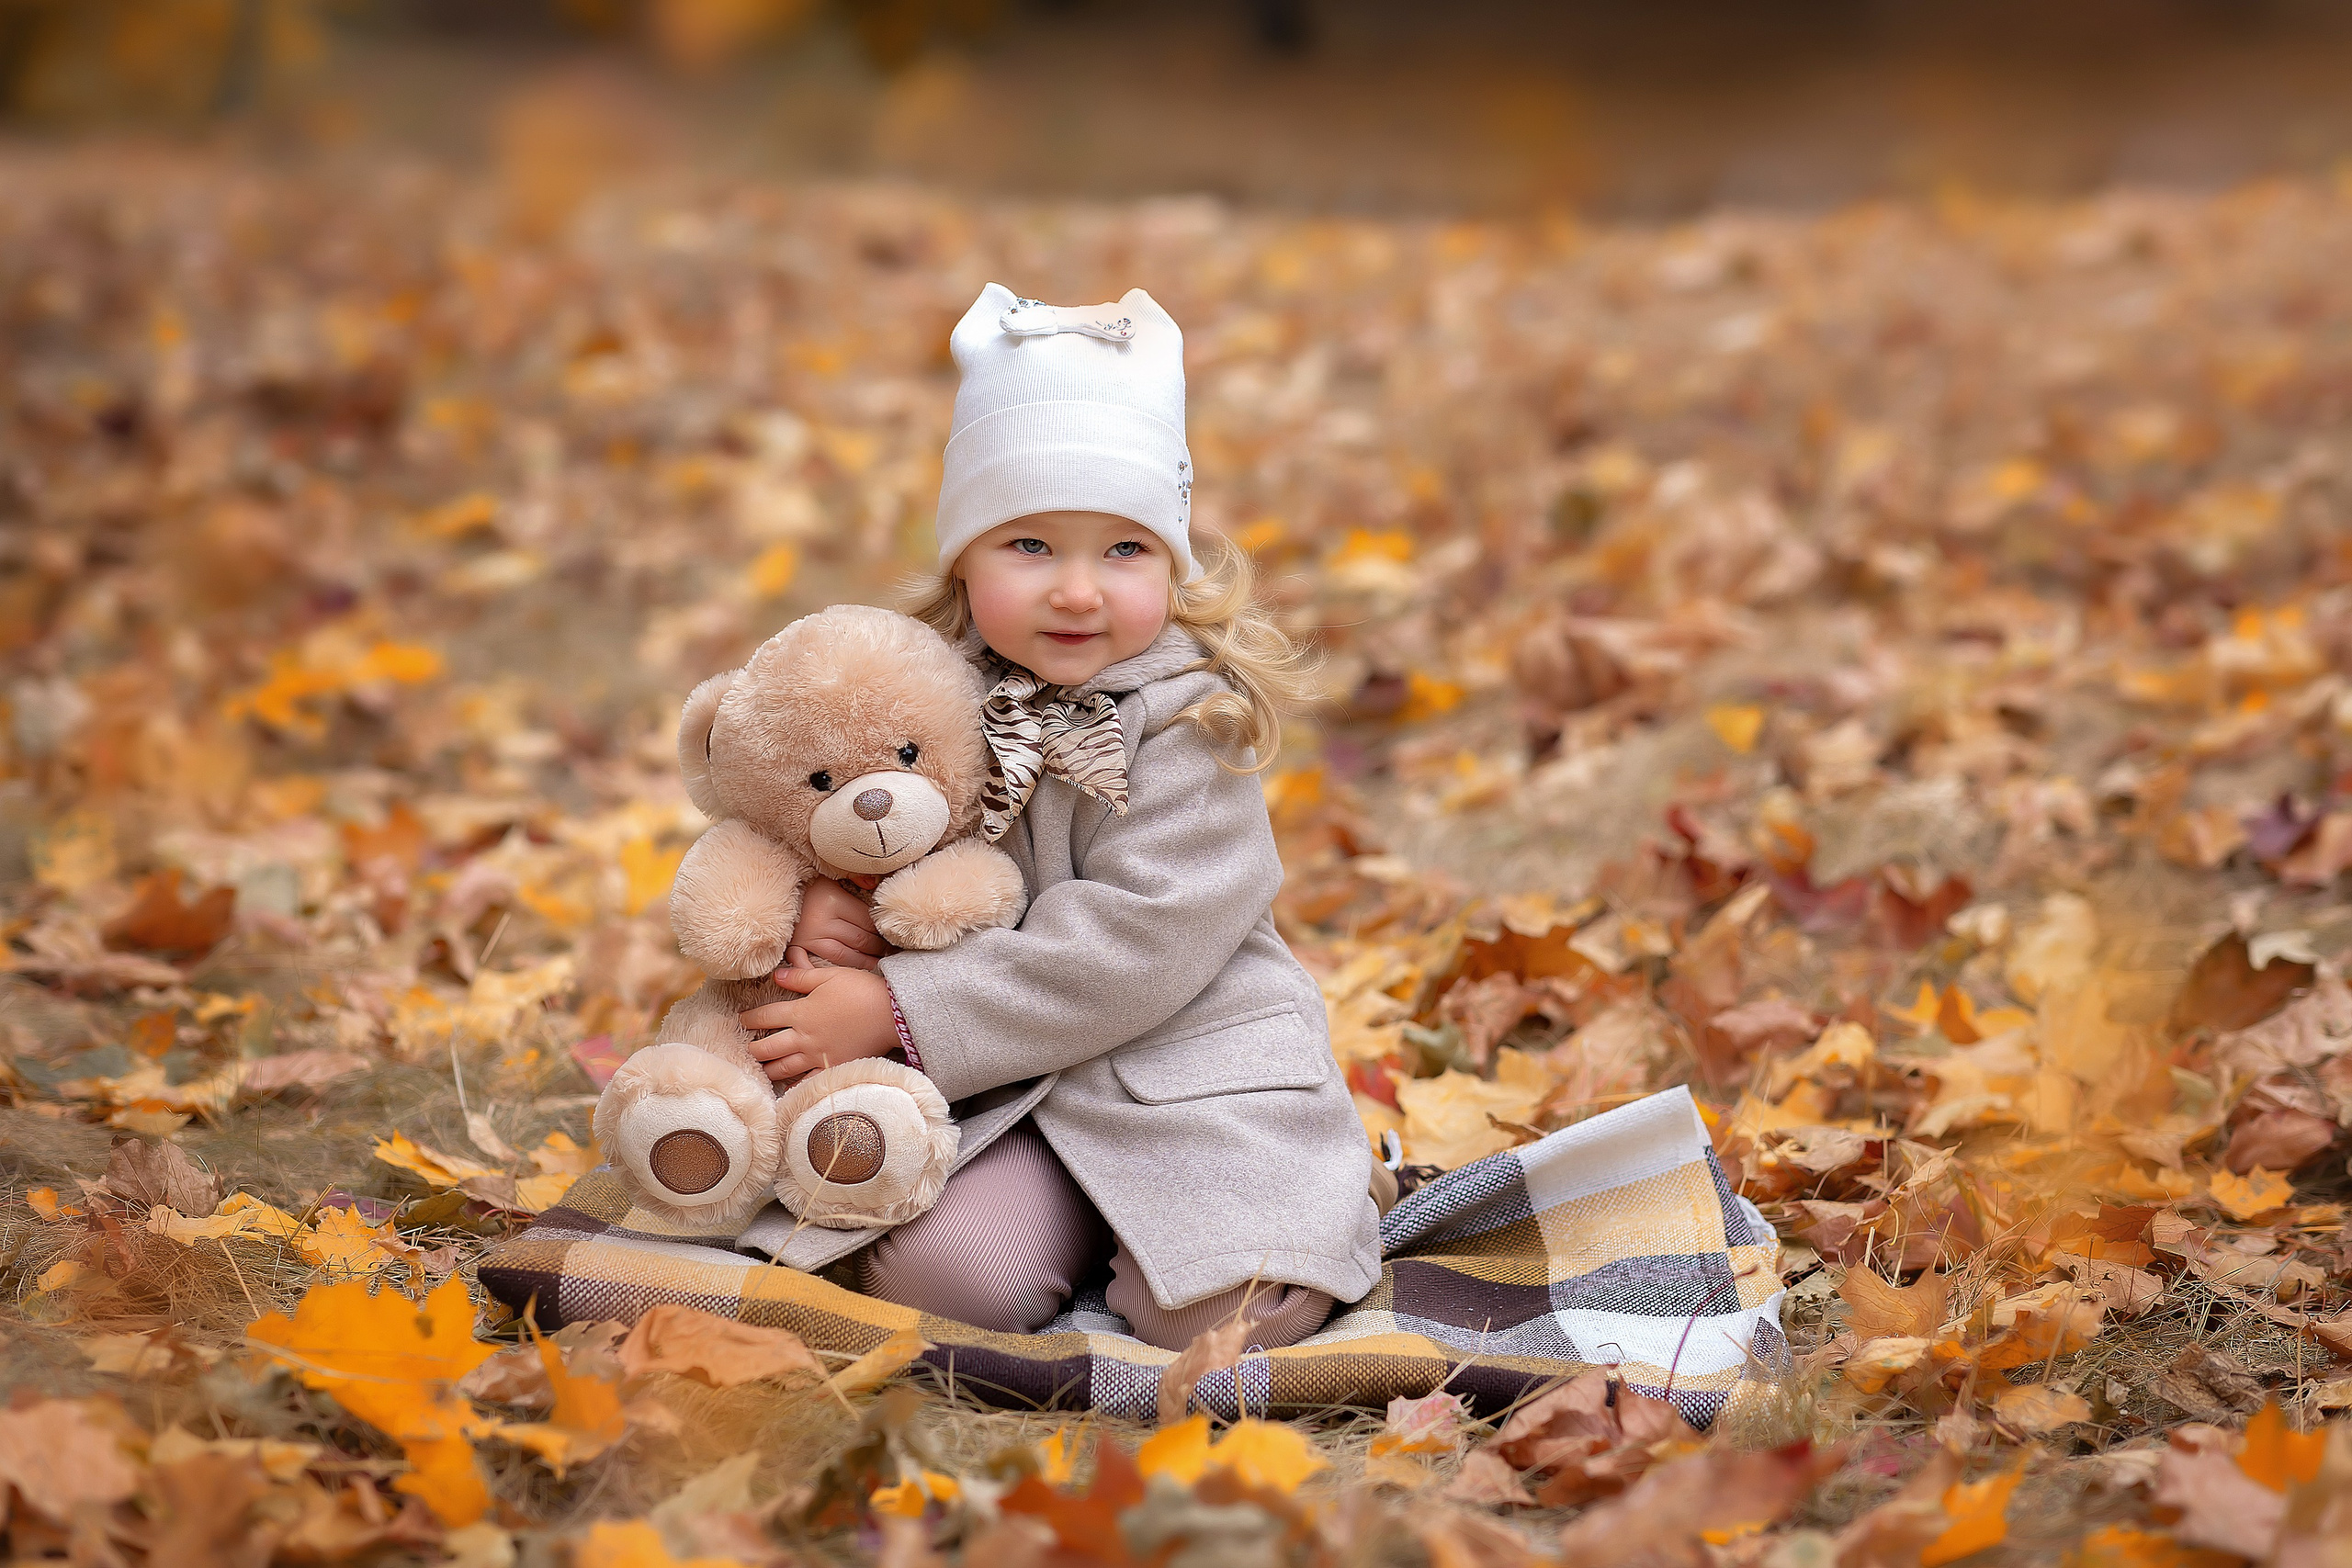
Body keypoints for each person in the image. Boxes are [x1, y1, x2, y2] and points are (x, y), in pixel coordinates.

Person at [731, 283, 1379, 1349]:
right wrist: (831, 914)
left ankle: (1311, 1199)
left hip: (1189, 1077)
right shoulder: (926, 705)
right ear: (963, 560)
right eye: (1029, 545)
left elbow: (1141, 943)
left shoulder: (1191, 724)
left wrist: (899, 1010)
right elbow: (860, 825)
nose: (1077, 592)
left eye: (1122, 550)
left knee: (1220, 1326)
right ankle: (1058, 1234)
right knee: (950, 1289)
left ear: (1170, 561)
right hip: (1010, 1088)